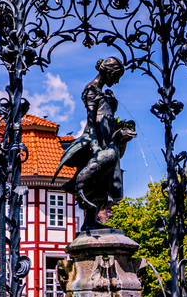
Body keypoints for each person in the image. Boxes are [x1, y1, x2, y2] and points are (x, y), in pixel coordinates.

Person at [53, 57, 134, 232]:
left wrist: (112, 105)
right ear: (109, 72)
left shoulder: (102, 92)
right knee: (96, 181)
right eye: (117, 76)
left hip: (107, 138)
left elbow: (105, 116)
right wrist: (96, 147)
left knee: (105, 182)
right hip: (98, 140)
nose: (117, 81)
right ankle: (89, 222)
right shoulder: (91, 90)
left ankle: (91, 221)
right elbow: (91, 121)